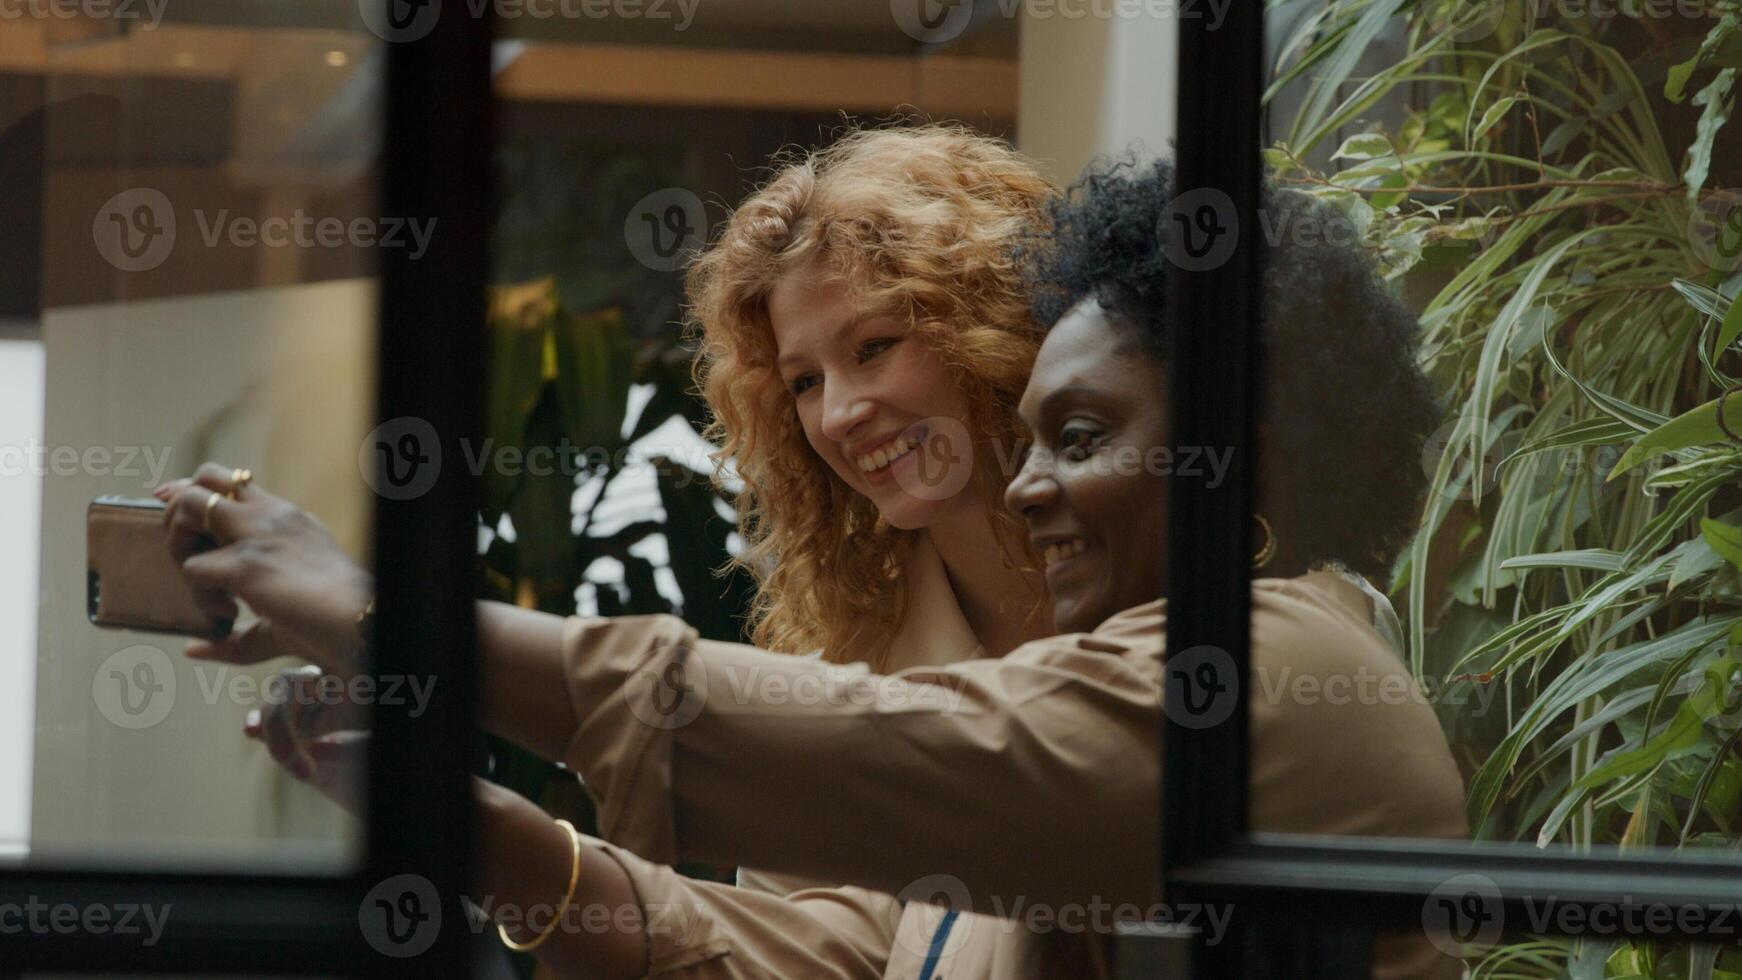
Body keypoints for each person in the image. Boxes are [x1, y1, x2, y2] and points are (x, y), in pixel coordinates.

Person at [158, 160, 1468, 978]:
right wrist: (485, 836)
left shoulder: (1269, 670)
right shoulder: (976, 655)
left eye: (1075, 437)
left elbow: (931, 759)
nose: (1025, 482)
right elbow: (851, 950)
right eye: (799, 380)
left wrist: (385, 619)